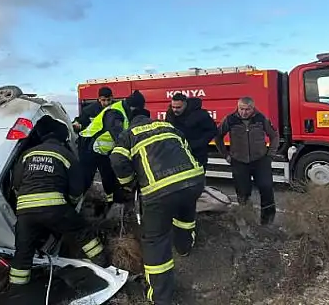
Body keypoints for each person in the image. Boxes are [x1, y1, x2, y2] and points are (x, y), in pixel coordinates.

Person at [110, 108, 206, 305]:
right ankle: (184, 248)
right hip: (193, 181)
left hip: (159, 190)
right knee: (185, 218)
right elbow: (185, 148)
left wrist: (128, 182)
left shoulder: (129, 134)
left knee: (155, 240)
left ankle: (161, 297)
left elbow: (117, 159)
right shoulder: (168, 126)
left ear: (132, 122)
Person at [8, 115, 110, 287]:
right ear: (63, 139)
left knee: (23, 253)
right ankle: (106, 266)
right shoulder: (65, 154)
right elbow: (77, 188)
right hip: (54, 209)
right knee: (82, 232)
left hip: (25, 212)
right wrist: (69, 204)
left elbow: (16, 183)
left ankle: (16, 290)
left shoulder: (27, 154)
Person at [215, 97, 279, 225]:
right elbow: (218, 136)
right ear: (238, 107)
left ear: (253, 108)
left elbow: (274, 135)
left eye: (247, 109)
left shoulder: (261, 119)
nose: (244, 112)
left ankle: (267, 222)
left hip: (260, 160)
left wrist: (270, 155)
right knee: (243, 193)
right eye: (241, 109)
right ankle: (248, 221)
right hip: (239, 161)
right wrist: (226, 155)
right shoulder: (230, 119)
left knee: (266, 189)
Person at [78, 90, 146, 205]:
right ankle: (76, 202)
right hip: (89, 147)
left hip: (102, 150)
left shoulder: (122, 110)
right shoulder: (115, 113)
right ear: (133, 107)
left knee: (109, 175)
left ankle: (111, 200)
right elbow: (119, 137)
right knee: (86, 178)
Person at [165, 93, 218, 169]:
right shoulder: (170, 114)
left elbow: (212, 131)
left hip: (197, 154)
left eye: (178, 107)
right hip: (177, 154)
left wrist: (198, 144)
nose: (175, 110)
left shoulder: (200, 115)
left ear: (185, 104)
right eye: (173, 107)